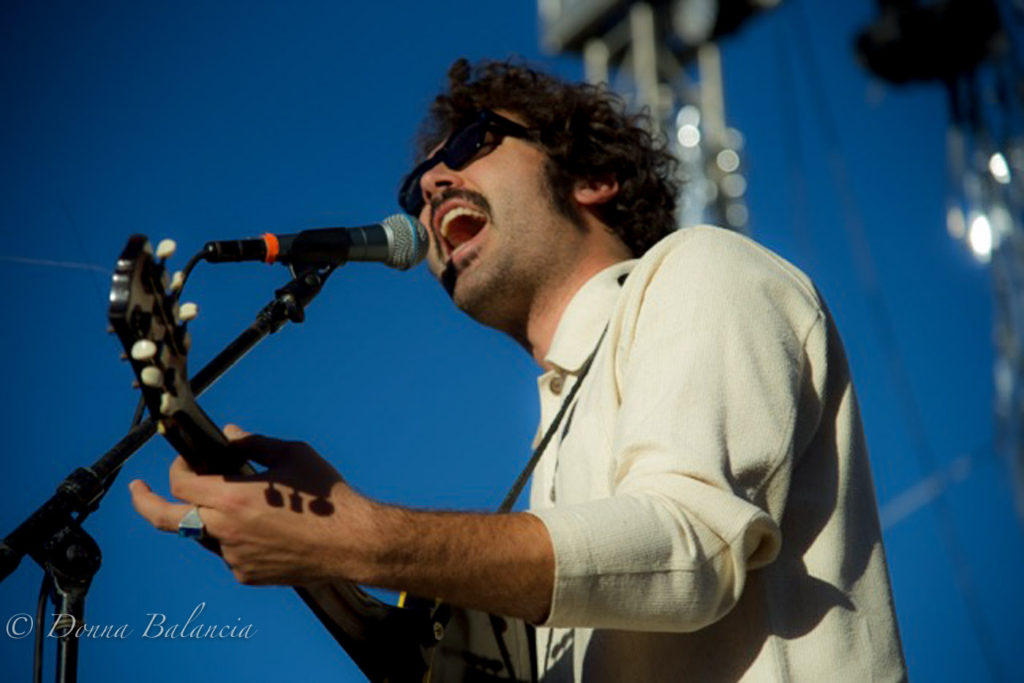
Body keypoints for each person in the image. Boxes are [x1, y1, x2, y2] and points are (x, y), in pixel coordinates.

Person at [130, 58, 907, 681]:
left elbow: (690, 547)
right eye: (414, 186)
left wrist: (356, 537)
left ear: (591, 176)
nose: (430, 187)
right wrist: (318, 559)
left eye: (472, 145)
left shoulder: (704, 266)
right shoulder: (557, 433)